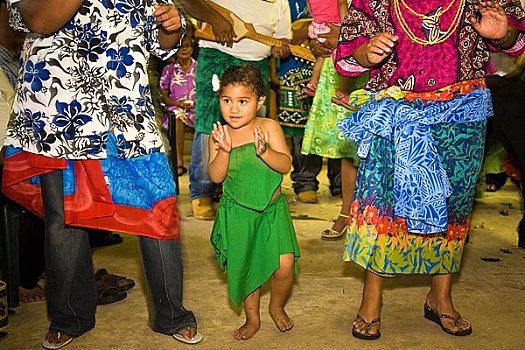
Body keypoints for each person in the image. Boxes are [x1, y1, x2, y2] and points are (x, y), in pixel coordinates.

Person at [1, 1, 203, 348]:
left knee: (158, 205)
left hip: (127, 103)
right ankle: (69, 316)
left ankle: (171, 313)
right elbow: (36, 18)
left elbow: (163, 40)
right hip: (59, 105)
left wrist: (171, 26)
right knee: (63, 216)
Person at [335, 0, 525, 339]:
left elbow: (514, 39)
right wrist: (367, 53)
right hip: (395, 109)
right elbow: (350, 55)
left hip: (463, 112)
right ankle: (371, 297)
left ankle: (440, 296)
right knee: (383, 205)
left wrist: (504, 34)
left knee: (453, 205)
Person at [208, 64, 300, 340]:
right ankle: (252, 317)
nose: (234, 109)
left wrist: (264, 152)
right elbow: (215, 176)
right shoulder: (220, 135)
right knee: (247, 268)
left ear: (259, 102)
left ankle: (276, 306)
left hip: (272, 211)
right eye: (227, 101)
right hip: (239, 214)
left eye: (243, 101)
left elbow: (285, 164)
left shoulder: (269, 127)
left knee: (284, 266)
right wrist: (223, 151)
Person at [189, 0, 292, 220]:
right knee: (209, 125)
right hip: (216, 56)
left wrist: (280, 47)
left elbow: (283, 37)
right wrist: (216, 19)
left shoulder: (281, 2)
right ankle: (202, 192)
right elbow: (189, 3)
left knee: (255, 131)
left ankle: (252, 187)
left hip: (257, 63)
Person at [302, 0, 352, 108]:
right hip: (334, 27)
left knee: (321, 58)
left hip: (317, 26)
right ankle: (343, 90)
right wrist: (347, 31)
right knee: (345, 59)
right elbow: (342, 3)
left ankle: (313, 82)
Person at [160, 34, 197, 177]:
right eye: (180, 46)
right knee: (176, 116)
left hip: (197, 108)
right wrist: (177, 103)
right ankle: (178, 163)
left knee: (208, 118)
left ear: (192, 49)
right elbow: (164, 97)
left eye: (187, 46)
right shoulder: (169, 69)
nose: (184, 49)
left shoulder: (200, 68)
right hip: (176, 108)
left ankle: (200, 165)